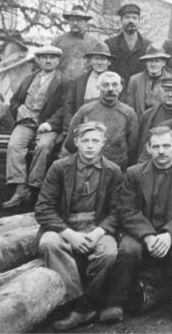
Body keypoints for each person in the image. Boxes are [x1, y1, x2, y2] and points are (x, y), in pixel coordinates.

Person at [105, 126, 172, 323]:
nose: (161, 151)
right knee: (128, 249)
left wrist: (168, 234)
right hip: (140, 232)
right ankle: (115, 302)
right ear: (148, 148)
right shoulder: (133, 173)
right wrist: (147, 236)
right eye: (156, 147)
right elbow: (127, 210)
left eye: (166, 146)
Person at [35, 122, 122, 330]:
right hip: (63, 226)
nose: (90, 146)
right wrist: (70, 234)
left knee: (109, 252)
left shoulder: (113, 171)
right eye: (85, 141)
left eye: (95, 141)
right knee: (48, 243)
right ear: (76, 142)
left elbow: (118, 210)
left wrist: (98, 232)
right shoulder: (59, 167)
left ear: (103, 143)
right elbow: (43, 207)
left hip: (96, 227)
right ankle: (79, 304)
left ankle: (87, 304)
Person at [3, 45, 70, 208]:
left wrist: (51, 123)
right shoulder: (29, 78)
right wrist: (19, 110)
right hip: (26, 121)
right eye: (44, 57)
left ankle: (33, 187)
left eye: (52, 58)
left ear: (58, 61)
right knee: (14, 145)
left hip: (48, 124)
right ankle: (19, 187)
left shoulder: (65, 81)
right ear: (38, 60)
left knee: (44, 146)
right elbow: (14, 100)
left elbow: (65, 107)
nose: (48, 61)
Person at [65, 71, 139, 170]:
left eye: (114, 85)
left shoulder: (128, 112)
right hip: (88, 166)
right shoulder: (86, 110)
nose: (110, 89)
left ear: (120, 88)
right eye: (105, 85)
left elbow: (133, 145)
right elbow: (70, 142)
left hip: (116, 167)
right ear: (98, 87)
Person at [105, 3, 152, 97]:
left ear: (139, 21)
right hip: (115, 93)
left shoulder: (147, 45)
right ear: (121, 20)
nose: (131, 21)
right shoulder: (110, 44)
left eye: (134, 18)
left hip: (140, 93)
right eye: (127, 17)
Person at [65, 42, 115, 121]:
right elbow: (69, 106)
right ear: (90, 61)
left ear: (109, 62)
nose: (99, 63)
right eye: (96, 59)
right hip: (83, 124)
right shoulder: (79, 81)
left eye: (103, 59)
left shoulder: (117, 82)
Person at [52, 5, 101, 81]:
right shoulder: (58, 41)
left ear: (85, 22)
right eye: (72, 20)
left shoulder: (95, 42)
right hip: (61, 82)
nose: (75, 23)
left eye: (78, 20)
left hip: (85, 82)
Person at [125, 46, 172, 117]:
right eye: (150, 61)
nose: (153, 64)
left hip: (163, 120)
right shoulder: (134, 80)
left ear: (163, 63)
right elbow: (130, 106)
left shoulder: (171, 81)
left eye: (157, 61)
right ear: (145, 63)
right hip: (140, 120)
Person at [137, 76, 172, 152]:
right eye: (166, 91)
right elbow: (141, 144)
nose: (170, 94)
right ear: (160, 92)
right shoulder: (147, 115)